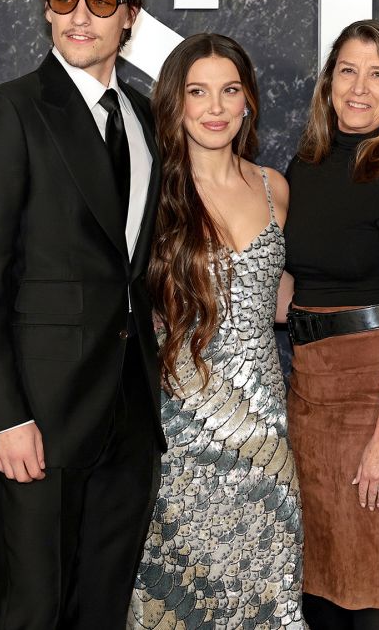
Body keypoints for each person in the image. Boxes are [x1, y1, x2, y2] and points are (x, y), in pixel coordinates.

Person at [0, 0, 163, 627]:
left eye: (101, 0)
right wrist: (3, 416)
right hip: (40, 418)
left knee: (100, 613)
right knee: (34, 613)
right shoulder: (7, 113)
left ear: (130, 15)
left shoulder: (145, 118)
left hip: (127, 419)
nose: (80, 15)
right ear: (46, 6)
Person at [127, 33, 303, 628]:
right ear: (175, 104)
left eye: (229, 90)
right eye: (198, 92)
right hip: (181, 432)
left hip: (265, 436)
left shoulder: (275, 188)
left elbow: (275, 296)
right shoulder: (151, 193)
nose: (215, 107)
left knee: (265, 594)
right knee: (180, 598)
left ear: (248, 100)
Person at [283, 20, 379, 628]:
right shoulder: (307, 165)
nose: (360, 88)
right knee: (318, 581)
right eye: (348, 70)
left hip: (375, 386)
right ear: (328, 83)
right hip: (308, 385)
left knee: (369, 580)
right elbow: (296, 283)